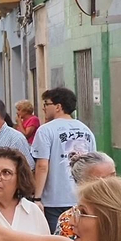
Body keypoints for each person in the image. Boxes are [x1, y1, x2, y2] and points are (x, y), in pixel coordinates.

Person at [30, 86, 97, 231]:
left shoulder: (46, 130)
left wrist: (37, 198)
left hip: (54, 200)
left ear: (58, 106)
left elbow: (42, 165)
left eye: (46, 104)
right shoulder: (86, 130)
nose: (44, 109)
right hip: (81, 197)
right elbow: (93, 165)